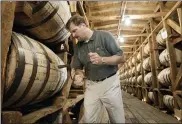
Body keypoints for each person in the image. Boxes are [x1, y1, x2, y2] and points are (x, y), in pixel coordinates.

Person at [66, 15, 125, 123]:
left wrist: (102, 59)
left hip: (110, 84)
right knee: (89, 120)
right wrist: (79, 75)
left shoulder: (105, 36)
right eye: (71, 33)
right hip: (91, 85)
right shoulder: (78, 46)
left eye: (74, 31)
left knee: (117, 120)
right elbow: (78, 67)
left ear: (83, 25)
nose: (73, 35)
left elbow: (121, 57)